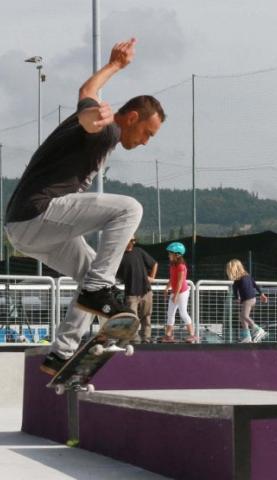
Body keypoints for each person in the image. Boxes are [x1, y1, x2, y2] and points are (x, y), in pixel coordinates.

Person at [4, 38, 166, 375]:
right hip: (39, 212)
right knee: (129, 209)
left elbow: (86, 89)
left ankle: (61, 352)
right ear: (132, 117)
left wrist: (115, 66)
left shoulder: (106, 129)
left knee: (90, 272)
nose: (146, 141)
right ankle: (98, 290)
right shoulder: (105, 132)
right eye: (147, 133)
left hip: (24, 229)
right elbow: (89, 118)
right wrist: (95, 117)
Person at [116, 236, 158, 344]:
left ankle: (146, 338)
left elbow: (154, 264)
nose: (133, 242)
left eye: (134, 240)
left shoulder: (139, 251)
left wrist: (152, 278)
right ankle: (134, 340)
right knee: (131, 319)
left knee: (146, 316)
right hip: (131, 293)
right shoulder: (119, 256)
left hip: (146, 291)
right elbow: (116, 273)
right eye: (131, 240)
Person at [161, 242, 197, 343]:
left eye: (170, 253)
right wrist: (167, 288)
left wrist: (176, 295)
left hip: (182, 292)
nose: (168, 255)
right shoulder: (173, 265)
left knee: (183, 312)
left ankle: (192, 335)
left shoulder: (181, 266)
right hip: (175, 291)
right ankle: (168, 335)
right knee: (170, 313)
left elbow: (181, 282)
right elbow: (172, 278)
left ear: (177, 254)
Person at [226, 259, 268, 343]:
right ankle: (247, 336)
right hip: (252, 299)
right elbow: (255, 284)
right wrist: (261, 294)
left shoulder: (237, 280)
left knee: (244, 316)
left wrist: (236, 298)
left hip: (247, 300)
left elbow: (235, 290)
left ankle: (258, 329)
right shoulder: (248, 276)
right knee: (242, 317)